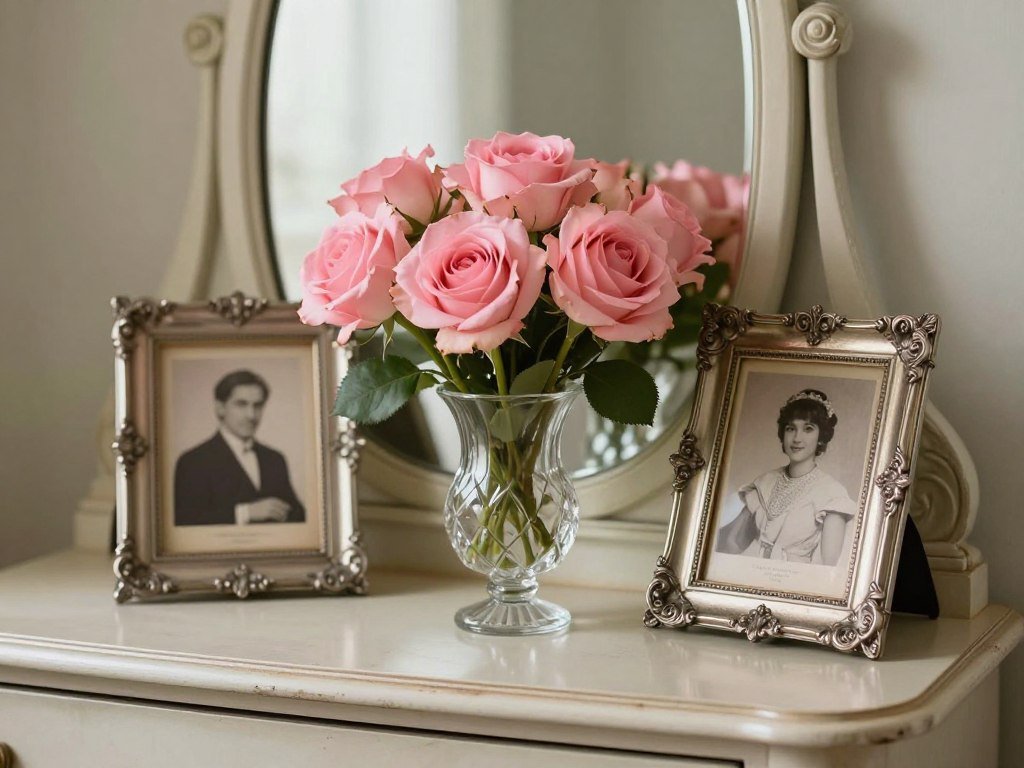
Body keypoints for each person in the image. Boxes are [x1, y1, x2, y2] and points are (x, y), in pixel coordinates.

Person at [716, 389, 855, 565]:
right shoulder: (765, 482)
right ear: (783, 434)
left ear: (822, 437)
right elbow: (732, 543)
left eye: (808, 429)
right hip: (752, 576)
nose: (797, 438)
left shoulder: (832, 494)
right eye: (791, 428)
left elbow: (828, 569)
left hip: (796, 585)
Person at [173, 369, 305, 526]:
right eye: (241, 404)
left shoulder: (274, 459)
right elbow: (186, 523)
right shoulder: (193, 461)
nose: (251, 415)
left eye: (258, 405)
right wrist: (246, 512)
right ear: (220, 408)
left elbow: (299, 517)